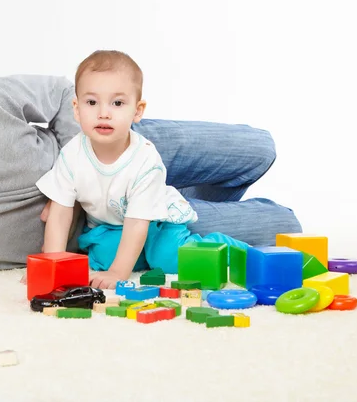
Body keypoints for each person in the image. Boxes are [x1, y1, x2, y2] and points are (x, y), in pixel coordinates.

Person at [0, 59, 301, 307]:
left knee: (259, 149)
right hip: (119, 228)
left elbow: (65, 94)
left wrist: (79, 166)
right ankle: (181, 207)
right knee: (282, 222)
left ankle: (181, 195)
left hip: (122, 147)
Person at [36, 51, 250, 289]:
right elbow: (60, 212)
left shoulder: (145, 159)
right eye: (91, 102)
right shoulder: (72, 154)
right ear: (76, 109)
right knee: (103, 257)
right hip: (110, 227)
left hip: (156, 223)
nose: (103, 113)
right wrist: (52, 264)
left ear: (137, 111)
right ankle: (136, 258)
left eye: (117, 103)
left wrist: (118, 272)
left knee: (169, 257)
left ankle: (229, 248)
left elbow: (138, 223)